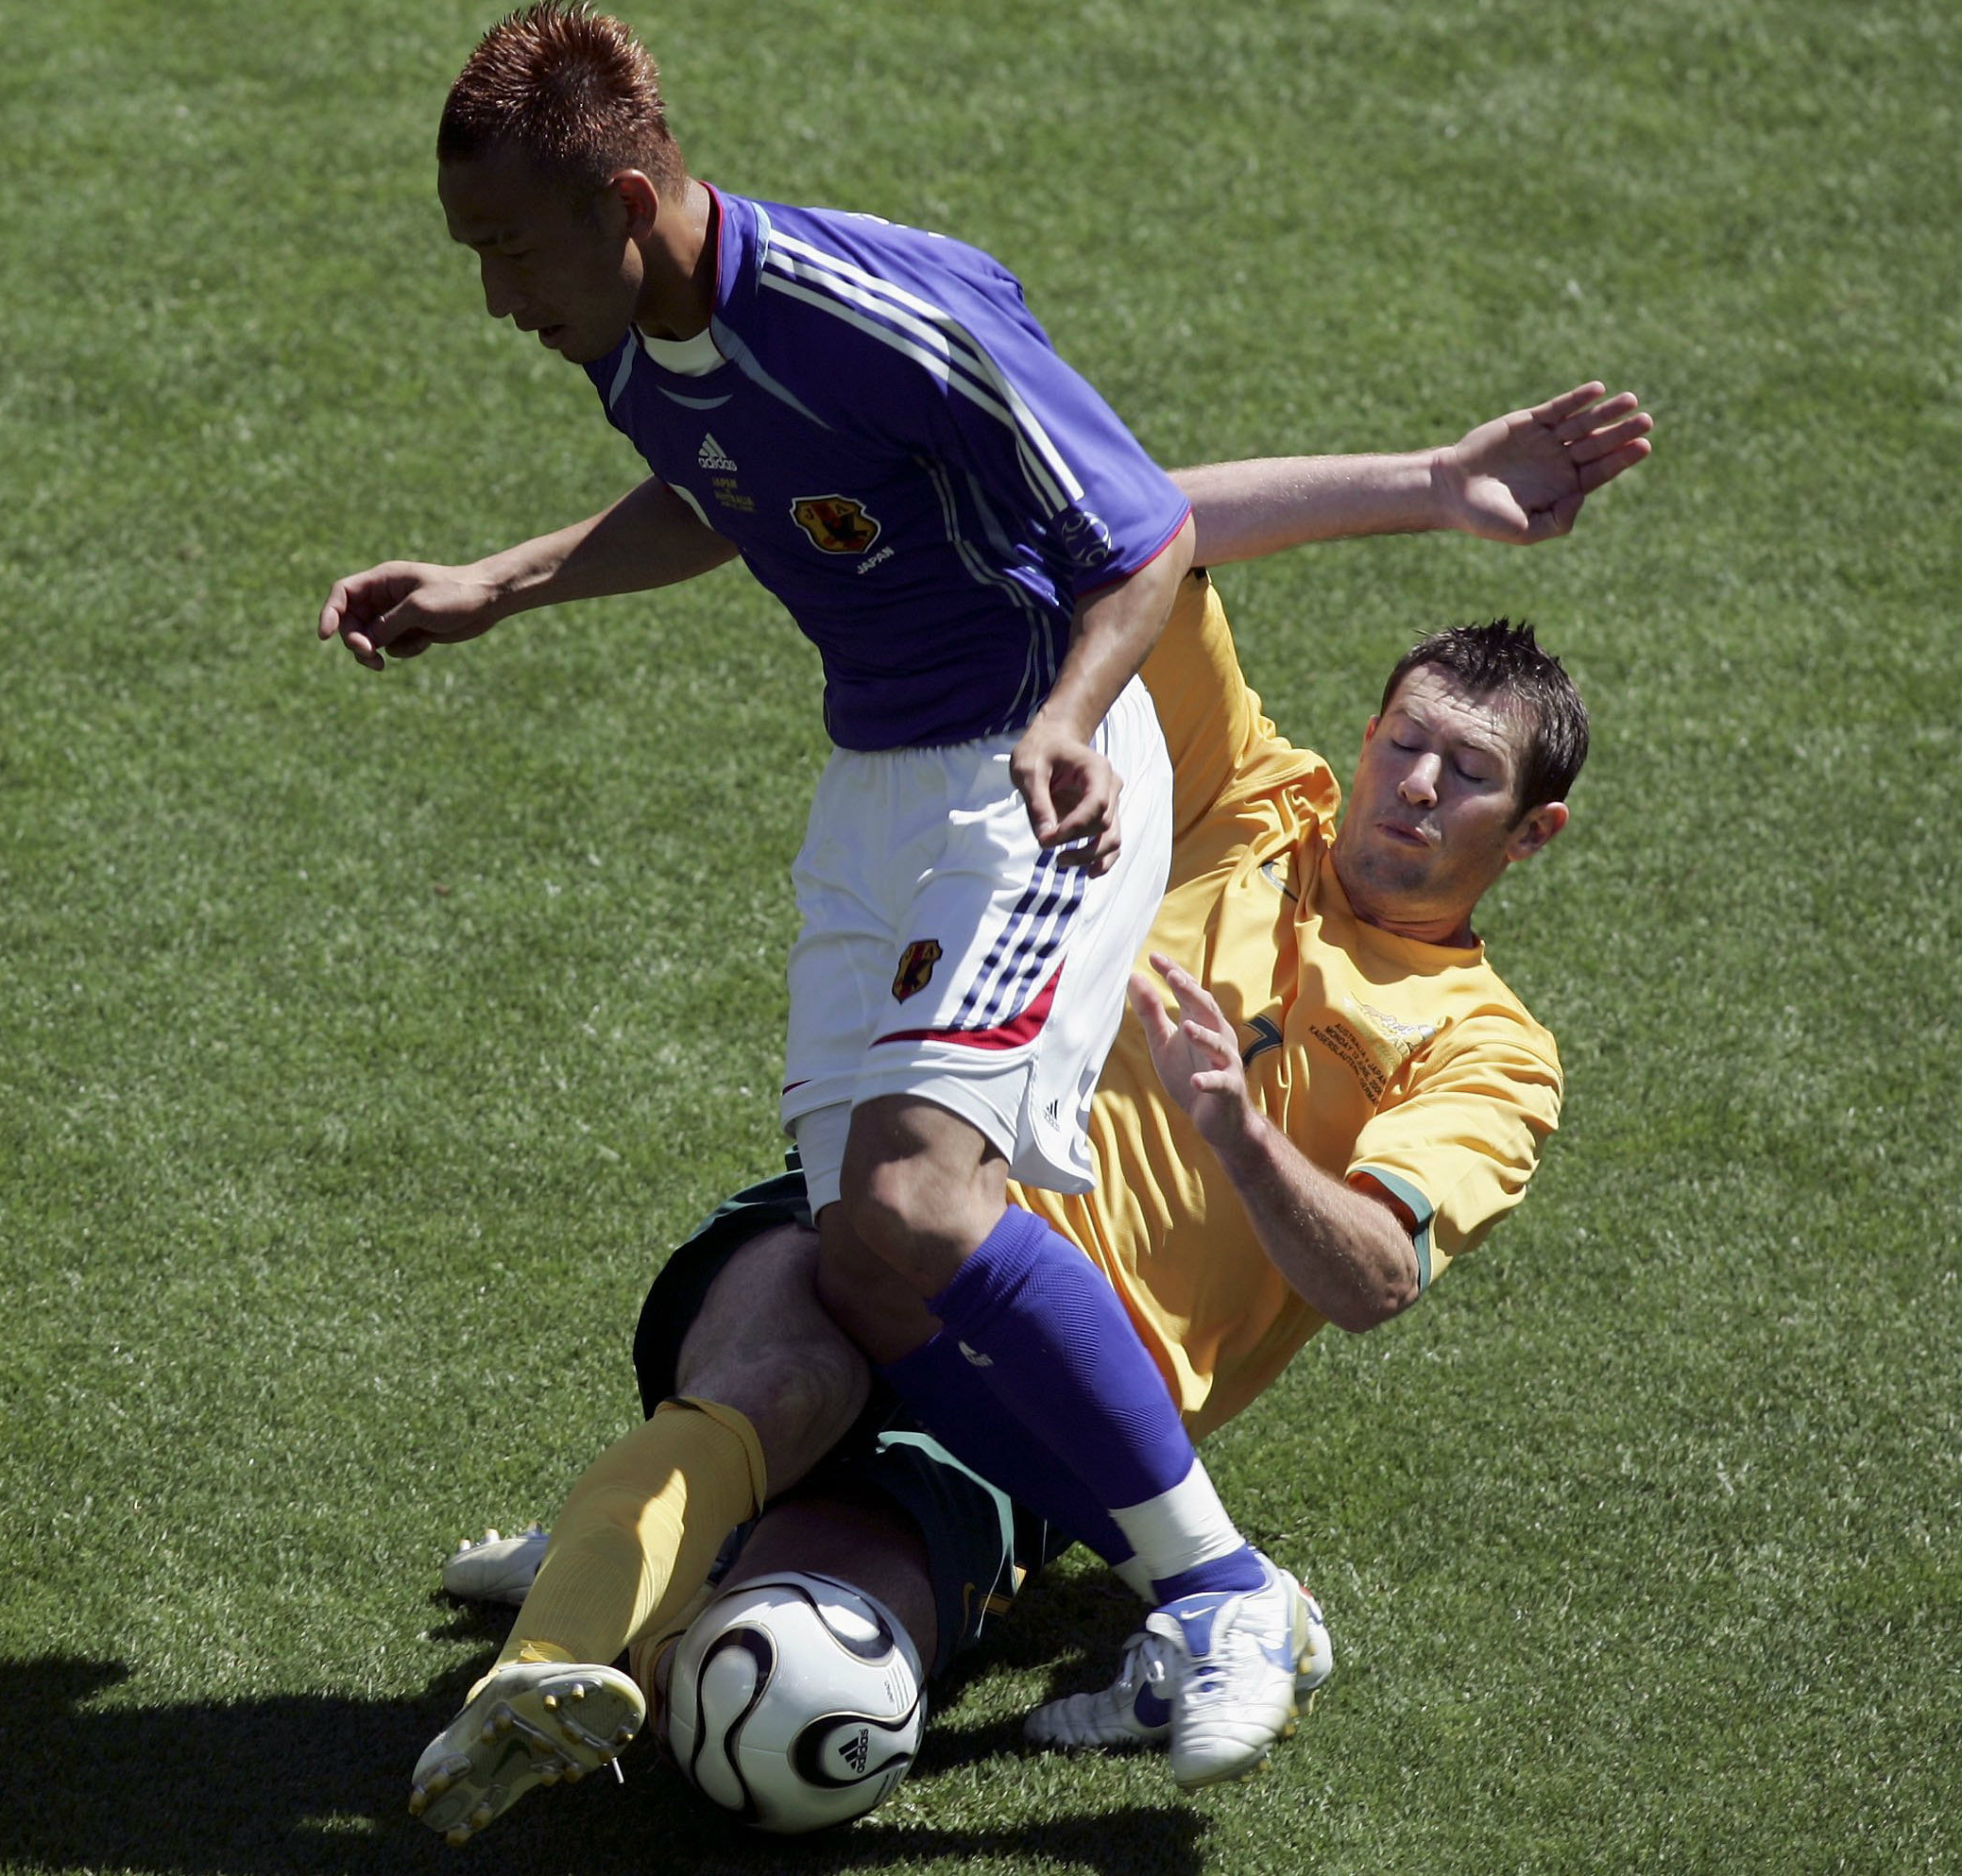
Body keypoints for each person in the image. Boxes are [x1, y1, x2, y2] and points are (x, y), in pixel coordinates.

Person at [405, 382, 1654, 1844]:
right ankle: (588, 1622)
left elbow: (1372, 1278)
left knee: (781, 1695)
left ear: (1535, 828)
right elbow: (1141, 535)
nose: (1419, 785)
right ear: (1368, 733)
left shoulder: (1492, 1050)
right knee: (769, 1381)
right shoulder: (1243, 804)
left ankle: (670, 1573)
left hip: (1039, 1403)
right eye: (1408, 742)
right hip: (909, 1193)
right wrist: (1436, 477)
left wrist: (1239, 1134)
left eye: (1473, 773)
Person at [324, 0, 1304, 1798]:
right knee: (860, 1244)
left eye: (511, 251)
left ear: (628, 201)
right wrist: (504, 584)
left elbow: (1144, 527)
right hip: (875, 796)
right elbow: (722, 493)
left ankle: (1224, 1592)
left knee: (923, 1208)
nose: (494, 300)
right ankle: (758, 1542)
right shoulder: (625, 323)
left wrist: (1080, 718)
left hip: (1036, 771)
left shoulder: (877, 311)